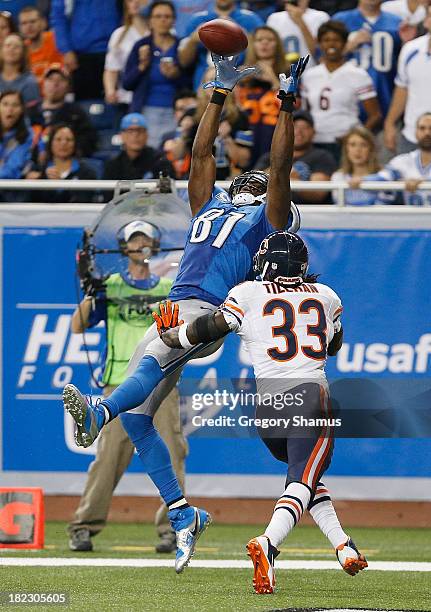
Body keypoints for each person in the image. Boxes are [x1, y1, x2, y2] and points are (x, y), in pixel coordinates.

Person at [62, 54, 307, 574]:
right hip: (181, 308)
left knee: (145, 367)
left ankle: (97, 413)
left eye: (258, 180)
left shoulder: (267, 218)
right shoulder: (210, 205)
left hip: (206, 314)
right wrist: (216, 93)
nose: (251, 178)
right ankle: (181, 514)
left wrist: (286, 103)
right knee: (139, 416)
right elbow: (200, 153)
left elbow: (281, 165)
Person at [156, 231, 368, 594]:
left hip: (268, 405)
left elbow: (211, 328)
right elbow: (334, 344)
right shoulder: (328, 295)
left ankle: (343, 546)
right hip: (310, 396)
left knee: (306, 477)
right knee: (303, 479)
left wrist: (174, 338)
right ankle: (269, 543)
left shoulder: (247, 292)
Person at [68, 220, 187, 555]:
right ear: (124, 247)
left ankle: (172, 527)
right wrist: (91, 292)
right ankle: (84, 526)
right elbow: (78, 326)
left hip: (161, 380)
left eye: (146, 239)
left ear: (155, 245)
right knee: (108, 456)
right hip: (119, 381)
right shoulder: (112, 284)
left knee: (173, 452)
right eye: (134, 240)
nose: (140, 245)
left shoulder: (168, 286)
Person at [300, 20, 381, 162]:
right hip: (313, 143)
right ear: (319, 44)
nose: (331, 44)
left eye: (336, 40)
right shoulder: (309, 75)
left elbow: (375, 115)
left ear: (344, 43)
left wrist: (354, 136)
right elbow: (306, 113)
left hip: (344, 141)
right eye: (326, 40)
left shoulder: (357, 74)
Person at [123, 0, 184, 149]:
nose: (163, 20)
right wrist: (141, 67)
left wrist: (175, 75)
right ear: (150, 20)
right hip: (146, 110)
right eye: (158, 16)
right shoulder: (140, 46)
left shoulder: (181, 46)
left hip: (176, 112)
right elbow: (126, 83)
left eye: (167, 16)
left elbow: (190, 82)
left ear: (174, 21)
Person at [333, 0, 402, 118]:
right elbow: (323, 60)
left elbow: (405, 67)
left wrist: (407, 41)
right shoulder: (340, 20)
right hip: (346, 104)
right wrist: (349, 47)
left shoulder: (397, 22)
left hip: (386, 97)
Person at [256, 109, 337, 204]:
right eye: (294, 127)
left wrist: (281, 179)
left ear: (313, 132)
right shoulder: (270, 157)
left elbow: (318, 192)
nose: (299, 131)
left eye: (305, 127)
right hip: (272, 210)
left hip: (309, 212)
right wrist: (284, 176)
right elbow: (255, 185)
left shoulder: (322, 157)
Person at [178, 0, 263, 90]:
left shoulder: (251, 19)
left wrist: (242, 34)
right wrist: (193, 40)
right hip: (202, 86)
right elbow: (183, 62)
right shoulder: (197, 20)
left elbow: (263, 57)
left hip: (239, 86)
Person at [236, 26, 289, 166]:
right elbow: (232, 111)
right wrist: (236, 84)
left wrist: (274, 81)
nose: (264, 43)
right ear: (253, 45)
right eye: (259, 40)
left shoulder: (288, 73)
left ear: (278, 44)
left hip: (275, 139)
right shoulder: (243, 76)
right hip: (247, 143)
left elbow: (293, 106)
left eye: (270, 40)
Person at [50, 0, 121, 100]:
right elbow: (58, 16)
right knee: (85, 106)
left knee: (116, 101)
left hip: (115, 50)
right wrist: (66, 50)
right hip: (82, 56)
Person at [384, 5, 431, 154]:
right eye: (429, 16)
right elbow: (402, 88)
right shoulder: (410, 49)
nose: (428, 21)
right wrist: (390, 123)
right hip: (412, 136)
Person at [195, 66, 253, 180]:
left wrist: (227, 139)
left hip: (227, 179)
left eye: (218, 79)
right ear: (203, 86)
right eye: (211, 80)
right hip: (198, 178)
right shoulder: (193, 115)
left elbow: (244, 160)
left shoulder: (239, 117)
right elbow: (178, 154)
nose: (215, 85)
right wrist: (183, 134)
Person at [32, 63, 96, 159]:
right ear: (43, 83)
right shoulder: (30, 111)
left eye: (61, 80)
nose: (55, 84)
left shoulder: (76, 113)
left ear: (68, 87)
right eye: (50, 79)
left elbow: (87, 141)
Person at [26, 123, 97, 202]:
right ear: (50, 143)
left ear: (75, 144)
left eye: (69, 140)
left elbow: (84, 200)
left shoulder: (86, 172)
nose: (63, 143)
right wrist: (39, 180)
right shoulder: (39, 170)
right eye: (58, 139)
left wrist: (61, 186)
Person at [371, 113, 431, 206]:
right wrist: (361, 179)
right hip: (409, 219)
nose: (427, 133)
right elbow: (381, 178)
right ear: (415, 133)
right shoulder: (401, 162)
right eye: (422, 128)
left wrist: (421, 182)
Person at [103, 0, 149, 109]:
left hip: (153, 97)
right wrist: (110, 91)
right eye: (130, 0)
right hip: (126, 98)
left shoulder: (163, 32)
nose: (135, 3)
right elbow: (111, 69)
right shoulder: (118, 35)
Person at [102, 112, 173, 182]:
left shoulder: (160, 161)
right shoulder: (113, 165)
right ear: (122, 135)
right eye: (130, 131)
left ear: (146, 135)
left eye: (140, 130)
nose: (135, 135)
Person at [267, 0, 329, 65]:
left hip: (313, 70)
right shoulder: (274, 18)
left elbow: (322, 54)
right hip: (284, 72)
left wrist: (300, 21)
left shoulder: (321, 17)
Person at [331, 125, 380, 206]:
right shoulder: (338, 177)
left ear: (371, 149)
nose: (358, 150)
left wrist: (365, 180)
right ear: (346, 149)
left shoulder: (383, 175)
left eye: (363, 145)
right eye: (352, 145)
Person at [18, 5, 63, 86]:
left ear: (43, 23)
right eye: (24, 23)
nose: (29, 26)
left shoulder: (58, 39)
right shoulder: (20, 50)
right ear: (20, 28)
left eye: (33, 21)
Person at [0, 33, 40, 110]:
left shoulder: (29, 82)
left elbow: (33, 113)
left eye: (16, 47)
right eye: (8, 45)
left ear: (23, 52)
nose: (11, 49)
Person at [0, 89, 33, 183]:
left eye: (15, 105)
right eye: (5, 104)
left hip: (14, 193)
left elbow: (12, 170)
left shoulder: (28, 136)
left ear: (22, 109)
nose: (10, 109)